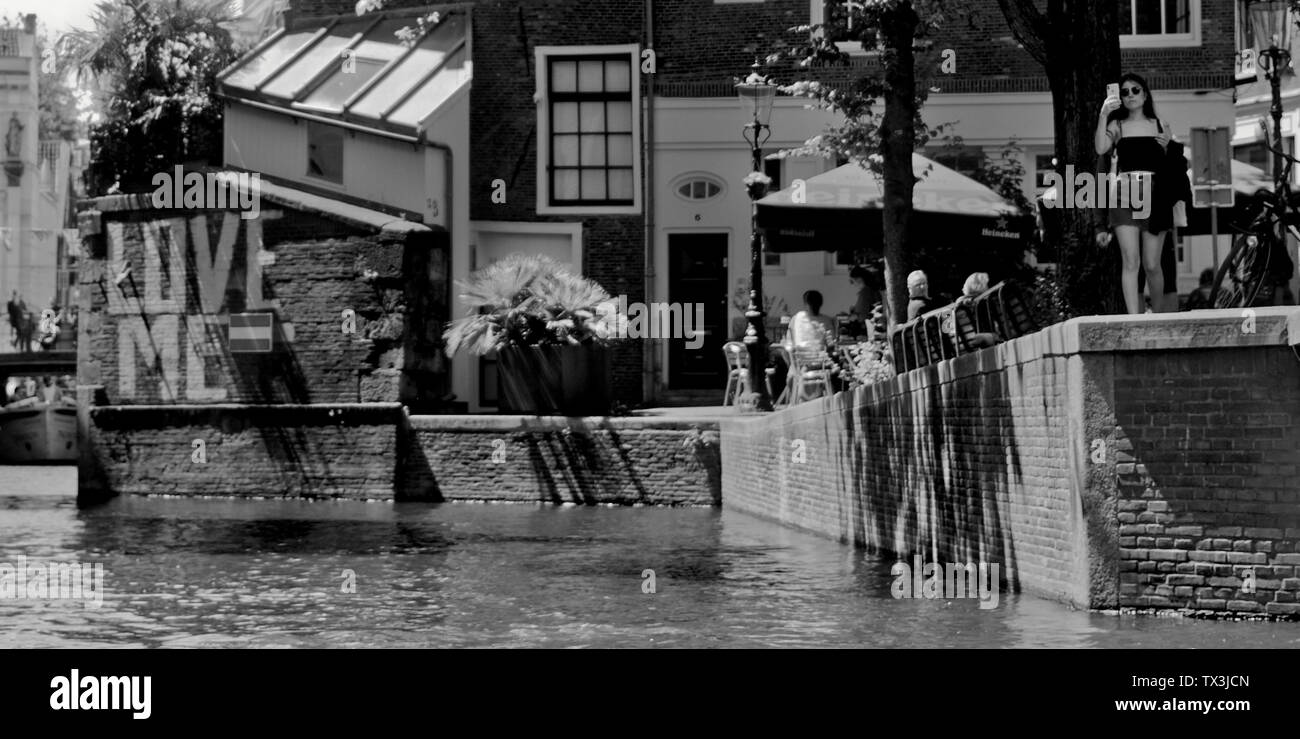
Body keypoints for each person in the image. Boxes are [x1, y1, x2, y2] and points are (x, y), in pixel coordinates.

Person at [1096, 72, 1178, 315]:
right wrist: (1103, 114)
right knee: (1131, 261)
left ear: (1145, 94)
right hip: (1124, 193)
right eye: (1124, 92)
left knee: (1153, 264)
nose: (1130, 95)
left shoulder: (1160, 125)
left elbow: (1173, 166)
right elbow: (1101, 147)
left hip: (1155, 194)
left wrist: (1167, 149)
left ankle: (1159, 314)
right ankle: (1135, 319)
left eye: (1135, 90)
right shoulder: (1117, 125)